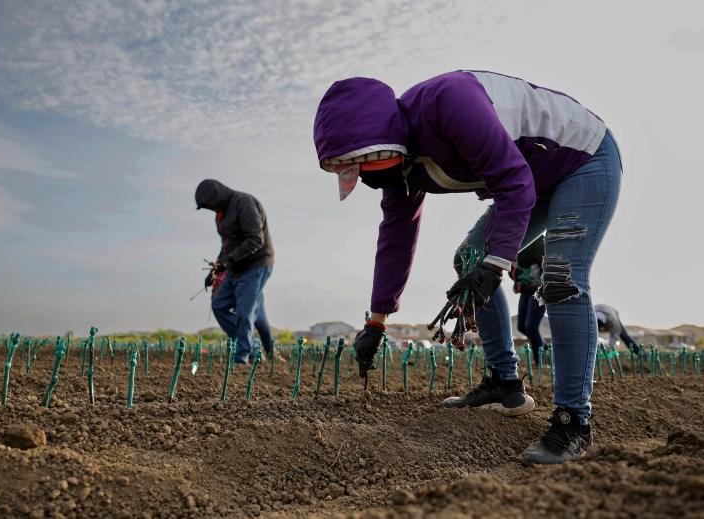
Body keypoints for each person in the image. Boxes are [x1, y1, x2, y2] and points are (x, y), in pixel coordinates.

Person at [313, 70, 622, 465]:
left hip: (583, 159)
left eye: (361, 166)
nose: (364, 180)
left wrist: (496, 265)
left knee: (561, 277)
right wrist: (376, 322)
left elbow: (513, 181)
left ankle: (573, 419)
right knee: (468, 260)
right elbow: (396, 237)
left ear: (379, 143)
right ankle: (503, 382)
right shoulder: (402, 166)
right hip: (533, 178)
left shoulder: (449, 102)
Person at [196, 179, 274, 364]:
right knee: (219, 305)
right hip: (235, 268)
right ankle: (253, 347)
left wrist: (227, 261)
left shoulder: (243, 202)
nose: (211, 210)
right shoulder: (221, 215)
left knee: (244, 313)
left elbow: (256, 239)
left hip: (256, 265)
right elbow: (227, 247)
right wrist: (215, 269)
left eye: (209, 205)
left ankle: (241, 359)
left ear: (215, 197)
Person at [209, 268, 274, 357]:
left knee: (260, 322)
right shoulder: (224, 259)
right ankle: (251, 346)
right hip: (233, 291)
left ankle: (271, 352)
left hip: (250, 289)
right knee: (242, 320)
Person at [510, 234, 547, 366]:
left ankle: (541, 361)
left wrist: (539, 281)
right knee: (521, 326)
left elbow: (547, 264)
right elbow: (512, 270)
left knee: (531, 326)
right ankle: (544, 348)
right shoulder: (513, 244)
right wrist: (517, 275)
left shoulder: (535, 240)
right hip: (526, 290)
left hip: (539, 290)